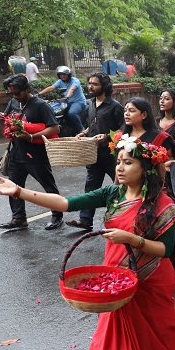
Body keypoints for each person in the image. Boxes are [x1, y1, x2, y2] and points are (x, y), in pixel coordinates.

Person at [0, 125, 175, 350]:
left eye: (128, 162)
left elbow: (168, 249)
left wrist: (132, 239)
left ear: (145, 168)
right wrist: (19, 191)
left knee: (154, 332)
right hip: (118, 277)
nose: (120, 168)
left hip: (150, 279)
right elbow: (65, 202)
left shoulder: (162, 203)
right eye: (119, 161)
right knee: (111, 332)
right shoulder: (113, 193)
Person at [0, 74, 63, 230]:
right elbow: (7, 126)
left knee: (48, 186)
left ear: (26, 89)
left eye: (17, 93)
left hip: (36, 154)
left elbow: (55, 127)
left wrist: (32, 136)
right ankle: (19, 219)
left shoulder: (40, 105)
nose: (14, 96)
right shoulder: (12, 103)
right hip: (16, 154)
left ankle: (57, 216)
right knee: (13, 187)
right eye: (11, 93)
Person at [67, 72, 125, 231]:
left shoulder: (115, 107)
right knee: (91, 187)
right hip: (93, 154)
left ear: (104, 87)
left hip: (112, 156)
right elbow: (91, 124)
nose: (90, 86)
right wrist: (84, 133)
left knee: (122, 187)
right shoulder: (90, 104)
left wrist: (107, 137)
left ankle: (126, 218)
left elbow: (124, 128)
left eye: (95, 84)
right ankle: (85, 220)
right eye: (89, 83)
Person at [38, 66, 88, 133]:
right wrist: (38, 94)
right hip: (67, 102)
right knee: (54, 110)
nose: (62, 76)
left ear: (68, 74)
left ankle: (81, 129)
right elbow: (51, 88)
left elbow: (72, 89)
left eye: (64, 74)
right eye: (60, 74)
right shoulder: (60, 82)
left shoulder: (75, 80)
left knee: (71, 113)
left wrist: (67, 97)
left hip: (78, 102)